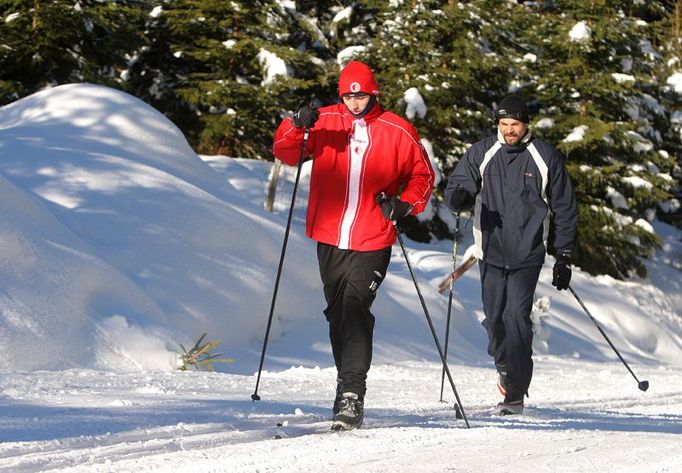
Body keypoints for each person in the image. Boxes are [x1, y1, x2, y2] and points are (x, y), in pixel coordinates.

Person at [272, 60, 434, 430]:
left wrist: (405, 203)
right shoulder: (324, 120)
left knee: (354, 306)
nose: (355, 102)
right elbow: (285, 152)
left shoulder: (398, 129)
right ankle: (346, 383)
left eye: (361, 95)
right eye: (349, 95)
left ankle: (351, 393)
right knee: (337, 313)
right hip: (330, 234)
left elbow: (422, 175)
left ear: (373, 93)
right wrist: (297, 123)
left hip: (373, 234)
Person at [445, 95, 577, 415]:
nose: (508, 131)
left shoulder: (544, 156)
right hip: (490, 250)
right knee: (494, 320)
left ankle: (515, 390)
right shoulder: (483, 151)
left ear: (525, 123)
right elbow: (458, 186)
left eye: (514, 124)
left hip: (528, 253)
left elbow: (564, 207)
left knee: (516, 316)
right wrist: (458, 197)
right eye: (503, 125)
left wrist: (564, 255)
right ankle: (504, 366)